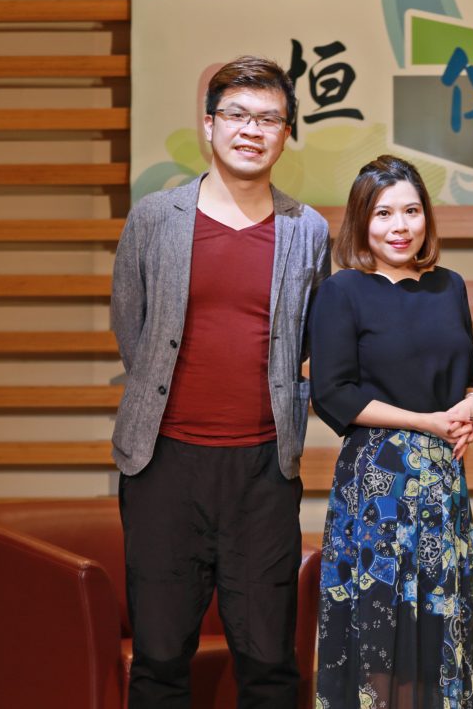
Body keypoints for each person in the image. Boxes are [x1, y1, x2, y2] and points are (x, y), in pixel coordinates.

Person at [110, 55, 331, 707]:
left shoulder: (308, 230)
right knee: (158, 656)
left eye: (269, 117)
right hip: (162, 466)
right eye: (236, 114)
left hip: (264, 471)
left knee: (269, 662)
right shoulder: (155, 217)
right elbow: (132, 324)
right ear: (208, 125)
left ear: (286, 132)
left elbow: (314, 343)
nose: (251, 129)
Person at [308, 155, 473, 709]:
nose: (400, 225)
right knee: (380, 634)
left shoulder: (449, 287)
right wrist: (425, 422)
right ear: (362, 222)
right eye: (384, 213)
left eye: (411, 210)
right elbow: (332, 392)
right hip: (378, 485)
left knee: (437, 630)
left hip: (440, 482)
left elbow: (472, 377)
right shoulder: (344, 291)